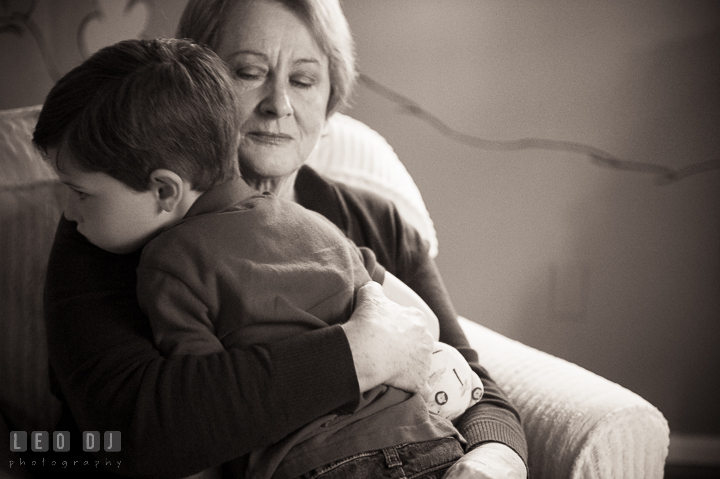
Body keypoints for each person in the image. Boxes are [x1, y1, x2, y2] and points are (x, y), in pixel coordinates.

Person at [35, 0, 527, 478]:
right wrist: (358, 354)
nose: (279, 104)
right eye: (249, 72)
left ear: (331, 96)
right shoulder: (105, 221)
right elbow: (135, 433)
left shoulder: (372, 220)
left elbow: (464, 372)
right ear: (194, 90)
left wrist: (491, 460)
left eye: (304, 79)